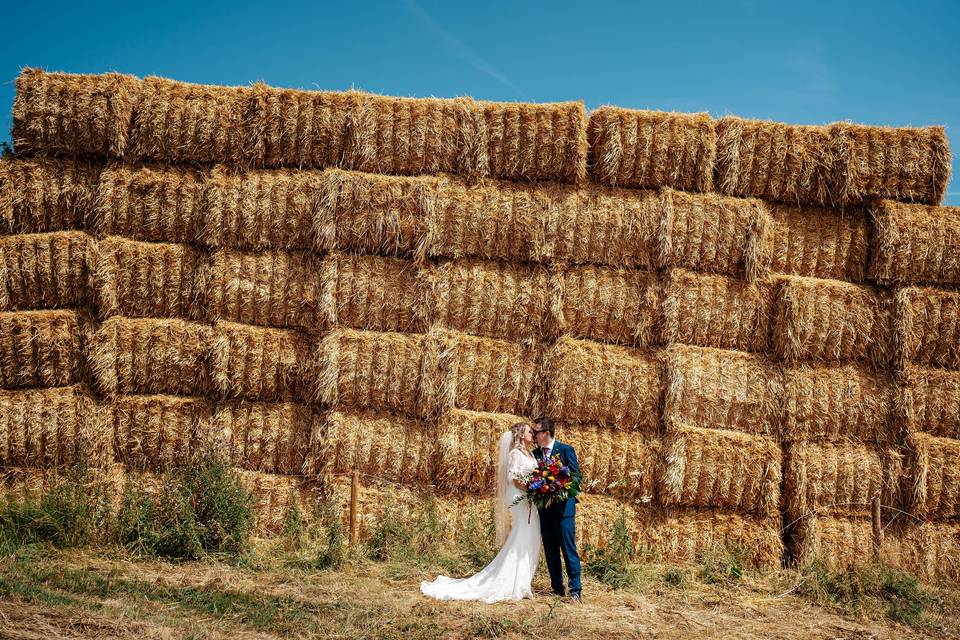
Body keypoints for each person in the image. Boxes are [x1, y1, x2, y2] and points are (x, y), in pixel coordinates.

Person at [419, 422, 541, 603]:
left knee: (531, 535)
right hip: (520, 496)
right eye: (531, 432)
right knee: (523, 534)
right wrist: (532, 489)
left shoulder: (529, 454)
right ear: (522, 435)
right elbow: (514, 478)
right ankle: (513, 583)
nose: (534, 434)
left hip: (529, 496)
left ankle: (522, 581)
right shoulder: (515, 454)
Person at [532, 415, 583, 602]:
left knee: (568, 549)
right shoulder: (535, 455)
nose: (533, 435)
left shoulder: (565, 450)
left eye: (535, 432)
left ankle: (575, 590)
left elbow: (577, 477)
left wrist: (560, 489)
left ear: (546, 433)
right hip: (544, 511)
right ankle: (557, 588)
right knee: (550, 550)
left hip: (563, 511)